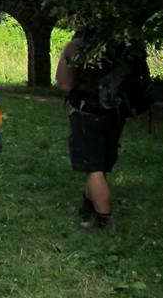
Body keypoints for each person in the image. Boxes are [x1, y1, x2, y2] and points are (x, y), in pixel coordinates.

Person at [56, 26, 123, 231]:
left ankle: (103, 219)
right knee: (100, 162)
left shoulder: (78, 46)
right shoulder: (121, 43)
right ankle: (88, 204)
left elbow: (64, 83)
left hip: (87, 110)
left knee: (93, 167)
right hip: (116, 109)